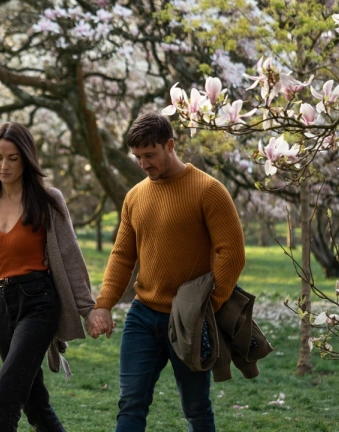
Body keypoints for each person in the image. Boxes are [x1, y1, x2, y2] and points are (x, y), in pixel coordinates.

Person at [87, 113, 245, 432]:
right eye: (137, 157)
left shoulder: (208, 190)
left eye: (150, 155)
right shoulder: (135, 197)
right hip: (143, 316)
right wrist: (103, 303)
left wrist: (208, 306)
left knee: (196, 408)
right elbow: (121, 255)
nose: (144, 164)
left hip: (189, 319)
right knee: (130, 403)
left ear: (169, 145)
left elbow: (232, 252)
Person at [0, 122, 96, 432]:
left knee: (5, 398)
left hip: (38, 303)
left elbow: (70, 258)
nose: (5, 165)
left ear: (26, 158)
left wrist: (89, 309)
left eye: (13, 158)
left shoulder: (47, 201)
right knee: (34, 402)